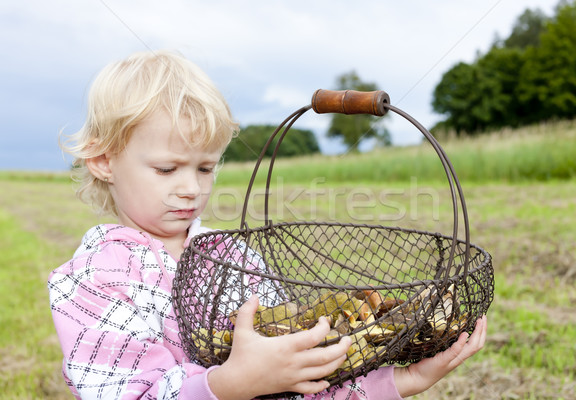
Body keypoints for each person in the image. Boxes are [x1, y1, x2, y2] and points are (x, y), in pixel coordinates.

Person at [49, 50, 487, 400]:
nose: (190, 188)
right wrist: (229, 385)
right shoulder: (97, 279)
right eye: (167, 169)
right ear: (104, 161)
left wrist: (401, 380)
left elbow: (296, 380)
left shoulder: (234, 260)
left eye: (205, 168)